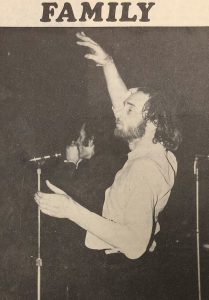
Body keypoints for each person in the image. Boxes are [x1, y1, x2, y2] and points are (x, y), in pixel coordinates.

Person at [35, 32, 182, 299]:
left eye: (129, 110)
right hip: (132, 270)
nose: (118, 112)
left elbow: (135, 244)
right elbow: (125, 105)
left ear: (152, 124)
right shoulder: (158, 150)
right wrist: (108, 64)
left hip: (121, 274)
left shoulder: (144, 168)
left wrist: (71, 209)